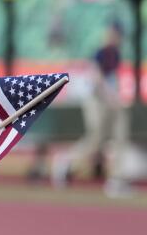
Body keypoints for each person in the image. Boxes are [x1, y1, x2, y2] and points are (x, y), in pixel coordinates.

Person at [54, 21, 132, 195]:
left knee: (120, 134)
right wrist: (110, 95)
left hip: (111, 100)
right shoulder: (101, 52)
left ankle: (117, 180)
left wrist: (114, 97)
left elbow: (112, 78)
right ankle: (66, 161)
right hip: (96, 99)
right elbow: (97, 78)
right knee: (96, 138)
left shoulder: (116, 54)